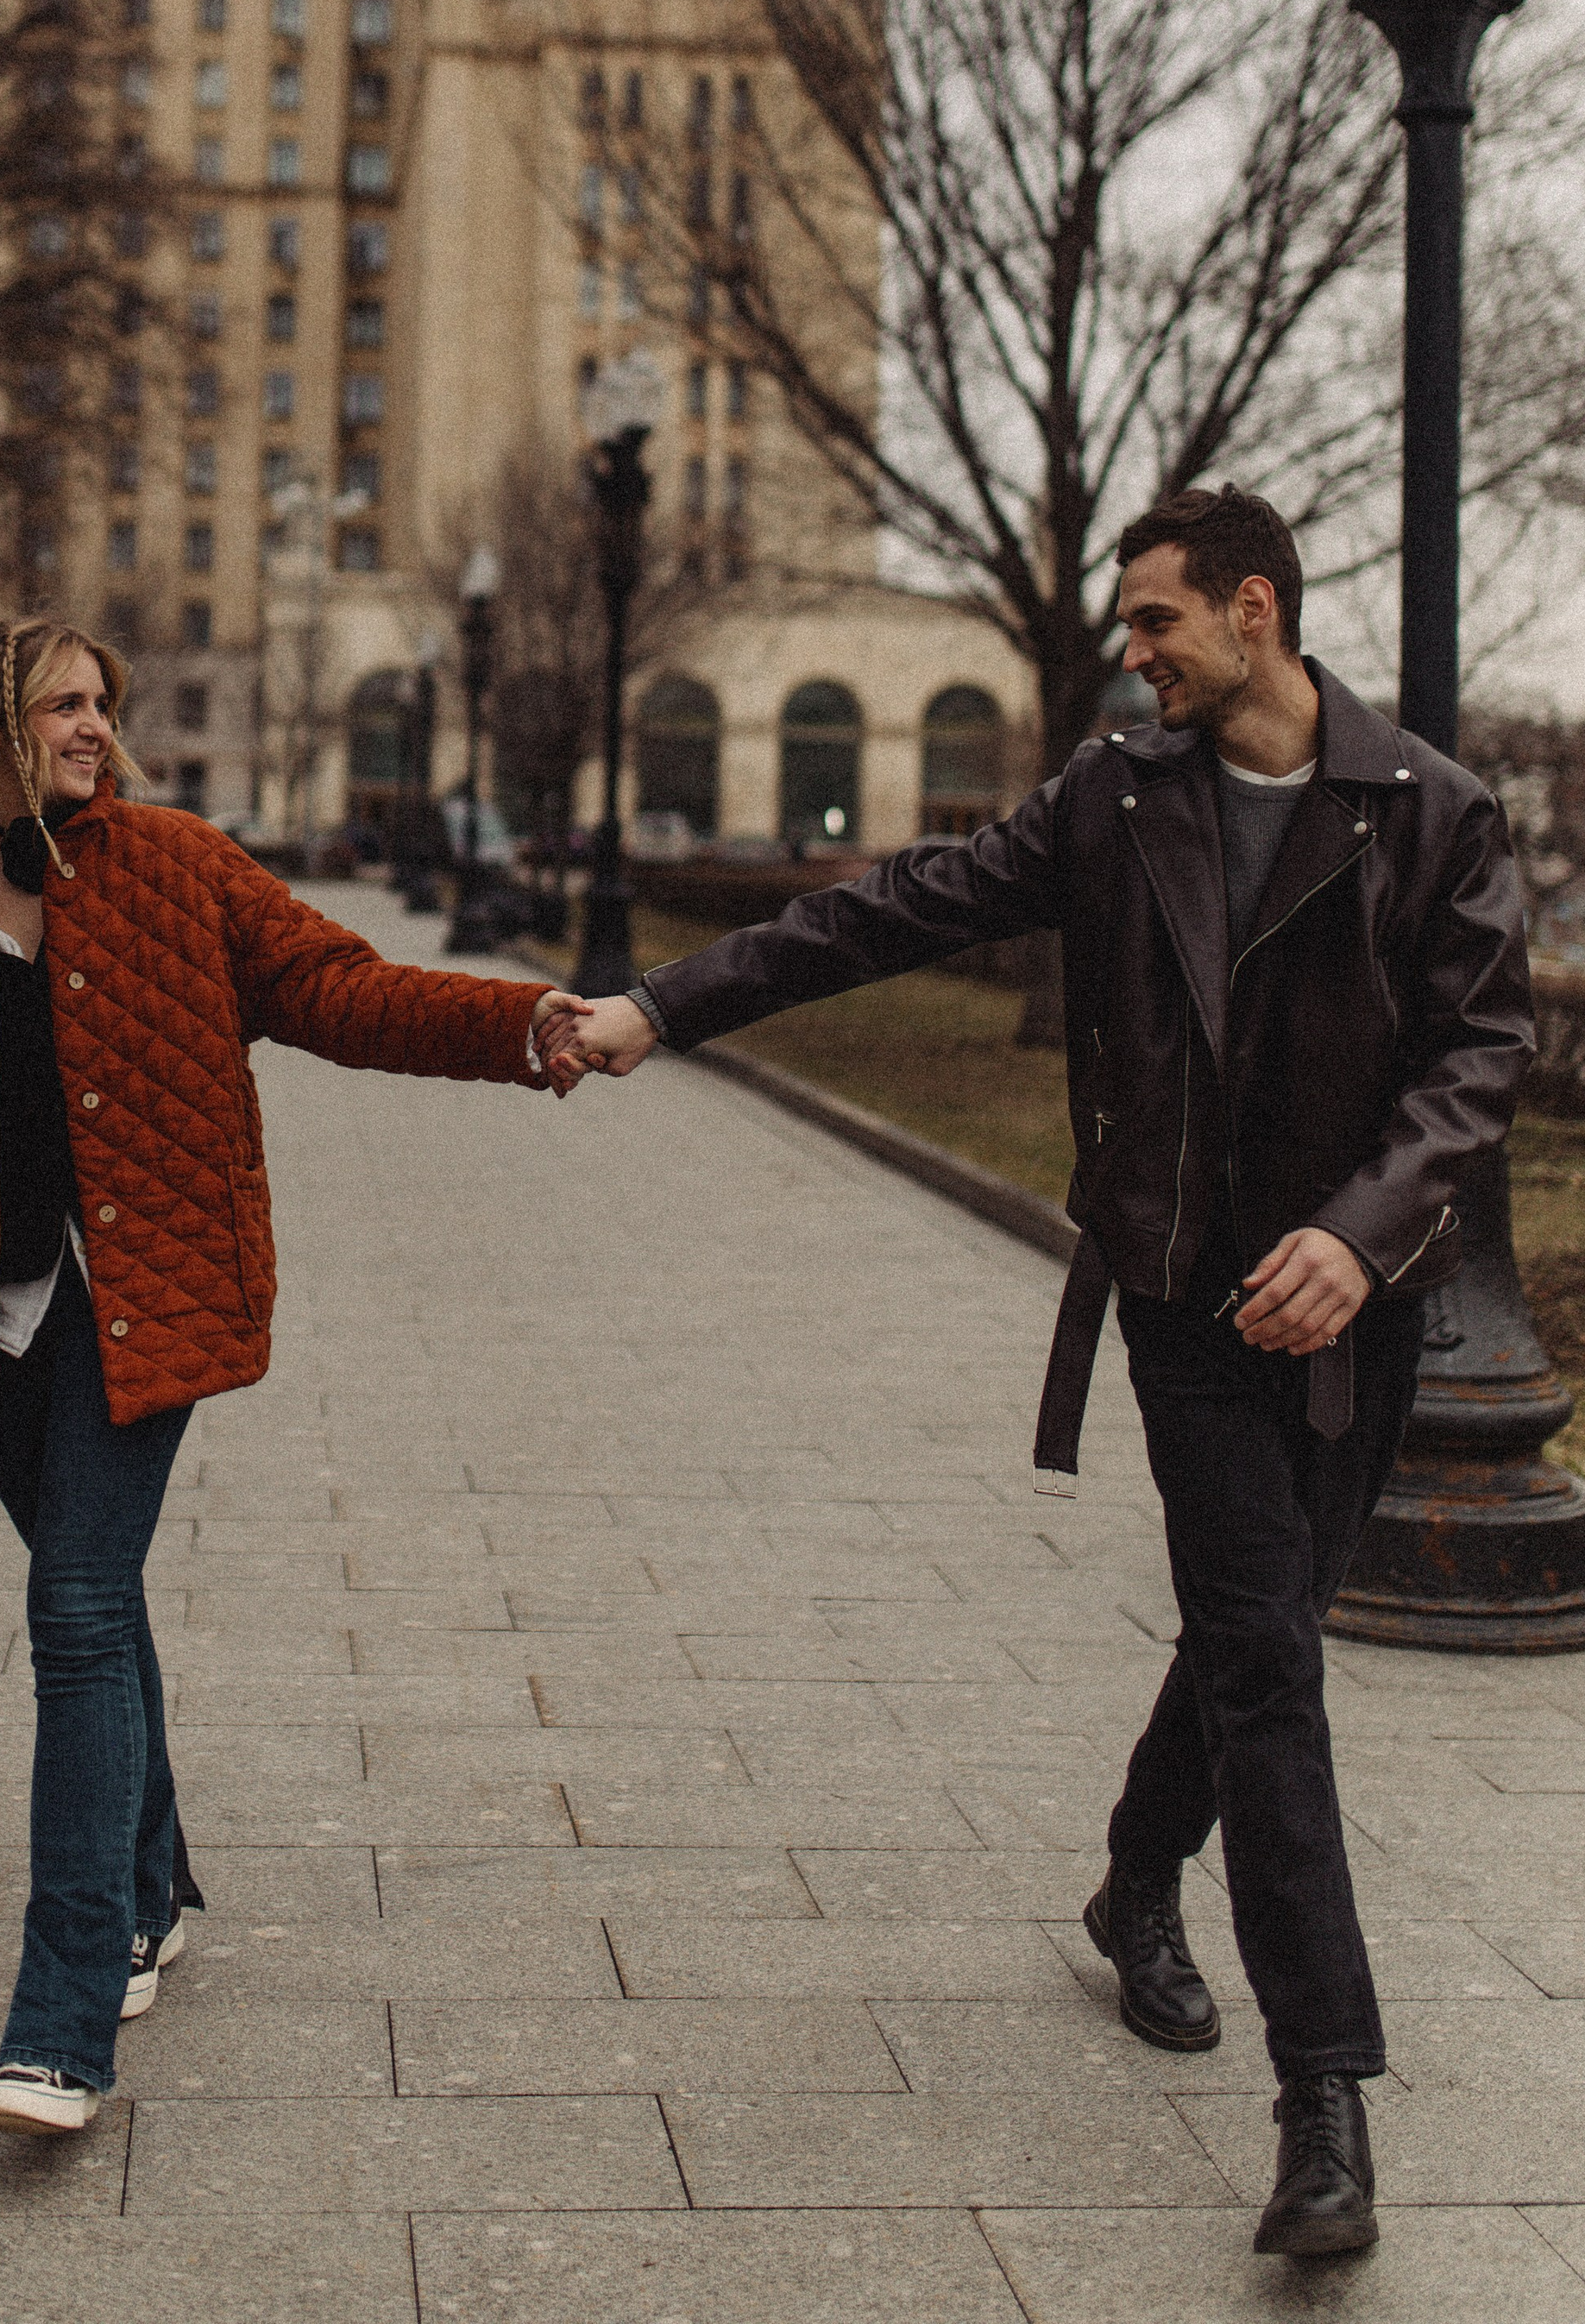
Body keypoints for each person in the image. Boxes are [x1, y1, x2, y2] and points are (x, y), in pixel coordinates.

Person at [567, 488, 1533, 2262]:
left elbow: (1478, 1051)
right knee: (1265, 1661)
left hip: (1345, 1314)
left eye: (1155, 621)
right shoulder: (1115, 797)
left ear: (1252, 612)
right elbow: (885, 913)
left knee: (1265, 1641)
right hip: (1178, 1299)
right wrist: (660, 1007)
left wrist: (1361, 1228)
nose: (1131, 653)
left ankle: (1131, 1880)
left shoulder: (1428, 812)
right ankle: (1321, 2103)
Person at [0, 614, 590, 2138]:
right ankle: (152, 1885)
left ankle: (59, 2032)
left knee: (70, 1610)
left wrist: (517, 1027)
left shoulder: (180, 869)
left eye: (102, 706)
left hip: (142, 1308)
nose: (94, 728)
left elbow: (346, 990)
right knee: (101, 1599)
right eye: (66, 705)